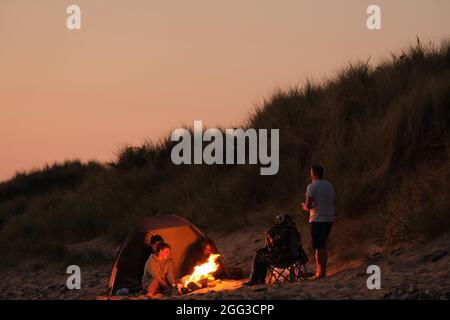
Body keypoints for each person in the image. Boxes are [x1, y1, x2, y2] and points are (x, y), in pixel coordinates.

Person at [244, 214, 301, 286]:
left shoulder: (275, 231)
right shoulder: (295, 231)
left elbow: (269, 247)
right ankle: (260, 280)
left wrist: (269, 237)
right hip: (293, 259)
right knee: (263, 255)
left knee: (258, 255)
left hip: (280, 260)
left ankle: (255, 280)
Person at [301, 165, 335, 280]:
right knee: (323, 246)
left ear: (314, 173)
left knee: (318, 247)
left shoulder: (311, 186)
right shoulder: (329, 185)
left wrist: (304, 207)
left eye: (311, 172)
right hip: (329, 218)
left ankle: (320, 273)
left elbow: (309, 205)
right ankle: (323, 272)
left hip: (317, 219)